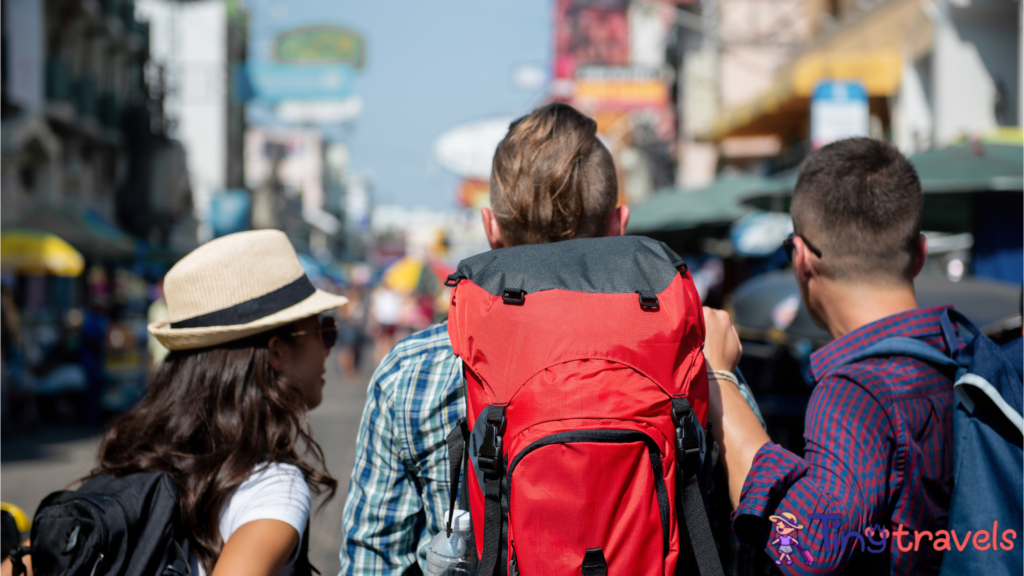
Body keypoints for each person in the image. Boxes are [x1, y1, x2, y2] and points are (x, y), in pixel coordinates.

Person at [339, 102, 761, 575]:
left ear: (490, 228)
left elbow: (371, 562)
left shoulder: (412, 370)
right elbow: (749, 541)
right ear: (619, 225)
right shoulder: (699, 356)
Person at [1, 229, 347, 576]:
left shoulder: (137, 459)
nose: (329, 347)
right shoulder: (272, 487)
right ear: (276, 352)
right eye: (324, 330)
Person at [703, 137, 955, 575]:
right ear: (920, 254)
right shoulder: (972, 355)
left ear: (800, 259)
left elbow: (803, 546)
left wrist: (718, 377)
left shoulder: (856, 394)